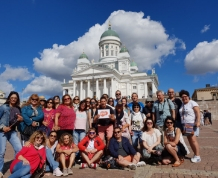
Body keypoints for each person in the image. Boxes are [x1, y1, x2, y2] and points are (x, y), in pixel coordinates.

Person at [0, 91, 23, 177]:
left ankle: (15, 167)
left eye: (15, 98)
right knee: (1, 152)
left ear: (17, 99)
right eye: (12, 97)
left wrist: (21, 120)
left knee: (19, 149)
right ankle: (0, 171)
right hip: (3, 132)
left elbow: (17, 122)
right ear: (9, 98)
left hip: (12, 131)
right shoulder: (3, 107)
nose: (13, 99)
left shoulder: (18, 108)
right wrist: (3, 127)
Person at [179, 90, 201, 163]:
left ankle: (198, 156)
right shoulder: (182, 104)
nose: (184, 98)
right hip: (185, 125)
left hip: (191, 124)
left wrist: (198, 121)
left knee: (193, 140)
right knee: (190, 140)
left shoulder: (192, 103)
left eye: (185, 96)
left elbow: (197, 112)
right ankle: (195, 154)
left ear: (188, 96)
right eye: (182, 97)